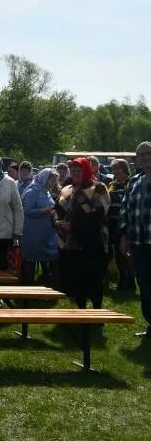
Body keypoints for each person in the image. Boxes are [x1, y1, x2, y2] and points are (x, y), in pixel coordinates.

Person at [55, 157, 110, 311]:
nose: (75, 173)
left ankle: (97, 311)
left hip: (92, 243)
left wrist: (73, 225)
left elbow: (97, 214)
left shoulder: (98, 188)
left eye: (79, 170)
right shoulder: (66, 189)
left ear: (86, 170)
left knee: (93, 279)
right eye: (72, 171)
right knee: (76, 280)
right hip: (70, 244)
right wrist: (57, 222)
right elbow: (55, 209)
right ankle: (81, 311)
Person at [121, 141, 151, 339]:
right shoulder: (134, 181)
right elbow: (125, 209)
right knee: (145, 285)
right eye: (141, 155)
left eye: (148, 153)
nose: (145, 157)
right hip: (139, 242)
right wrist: (124, 236)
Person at [20, 168, 59, 286]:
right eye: (50, 180)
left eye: (54, 181)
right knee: (30, 260)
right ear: (43, 178)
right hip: (32, 233)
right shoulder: (32, 190)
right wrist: (44, 210)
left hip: (46, 233)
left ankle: (46, 285)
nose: (52, 183)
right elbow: (26, 210)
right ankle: (28, 287)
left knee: (51, 258)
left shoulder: (46, 191)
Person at [107, 158, 135, 291]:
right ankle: (122, 277)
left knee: (126, 252)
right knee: (117, 252)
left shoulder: (132, 183)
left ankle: (131, 278)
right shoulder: (111, 185)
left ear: (125, 170)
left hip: (127, 223)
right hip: (113, 224)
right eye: (114, 169)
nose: (115, 171)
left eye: (118, 168)